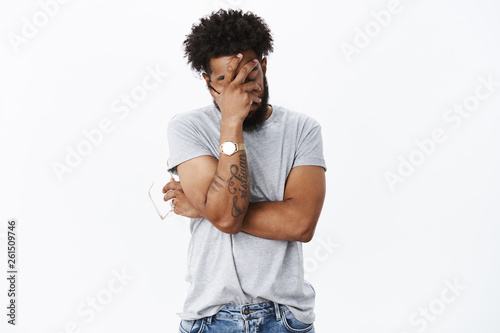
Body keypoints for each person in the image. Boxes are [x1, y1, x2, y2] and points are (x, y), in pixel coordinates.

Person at [162, 9, 326, 333]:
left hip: (285, 319)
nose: (239, 93)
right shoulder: (187, 128)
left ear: (263, 67)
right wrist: (231, 122)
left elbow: (301, 223)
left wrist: (204, 208)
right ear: (208, 84)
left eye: (248, 77)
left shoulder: (303, 130)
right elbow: (225, 217)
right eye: (225, 82)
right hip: (209, 319)